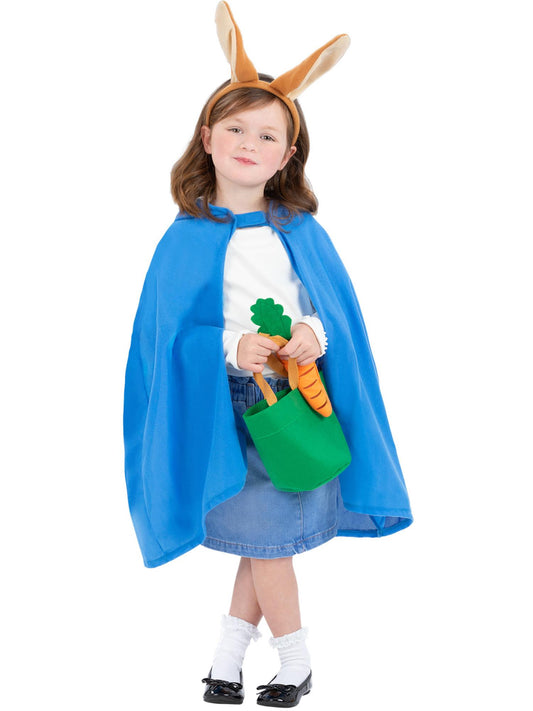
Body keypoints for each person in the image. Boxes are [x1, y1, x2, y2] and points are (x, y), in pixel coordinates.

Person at [123, 3, 412, 707]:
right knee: (262, 538)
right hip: (225, 409)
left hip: (294, 403)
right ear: (207, 138)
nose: (248, 143)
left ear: (287, 156)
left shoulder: (300, 230)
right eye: (235, 128)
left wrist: (314, 331)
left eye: (267, 134)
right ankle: (255, 660)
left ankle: (272, 661)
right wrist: (231, 345)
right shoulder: (184, 239)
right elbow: (164, 339)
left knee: (265, 540)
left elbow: (332, 311)